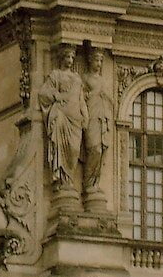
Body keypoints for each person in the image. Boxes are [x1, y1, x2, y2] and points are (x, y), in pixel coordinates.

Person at [38, 45, 88, 191]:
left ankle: (69, 178)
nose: (70, 60)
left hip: (75, 119)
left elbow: (81, 100)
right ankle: (63, 180)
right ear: (62, 58)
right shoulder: (55, 75)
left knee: (74, 149)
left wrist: (86, 116)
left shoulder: (77, 78)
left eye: (72, 57)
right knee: (62, 147)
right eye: (68, 57)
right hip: (61, 115)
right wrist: (56, 95)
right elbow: (43, 93)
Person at [82, 48, 113, 195]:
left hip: (102, 118)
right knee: (93, 148)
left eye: (101, 60)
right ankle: (87, 182)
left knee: (101, 150)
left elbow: (110, 100)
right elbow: (80, 98)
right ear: (90, 60)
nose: (99, 63)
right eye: (96, 60)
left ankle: (94, 182)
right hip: (91, 117)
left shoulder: (103, 80)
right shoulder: (85, 78)